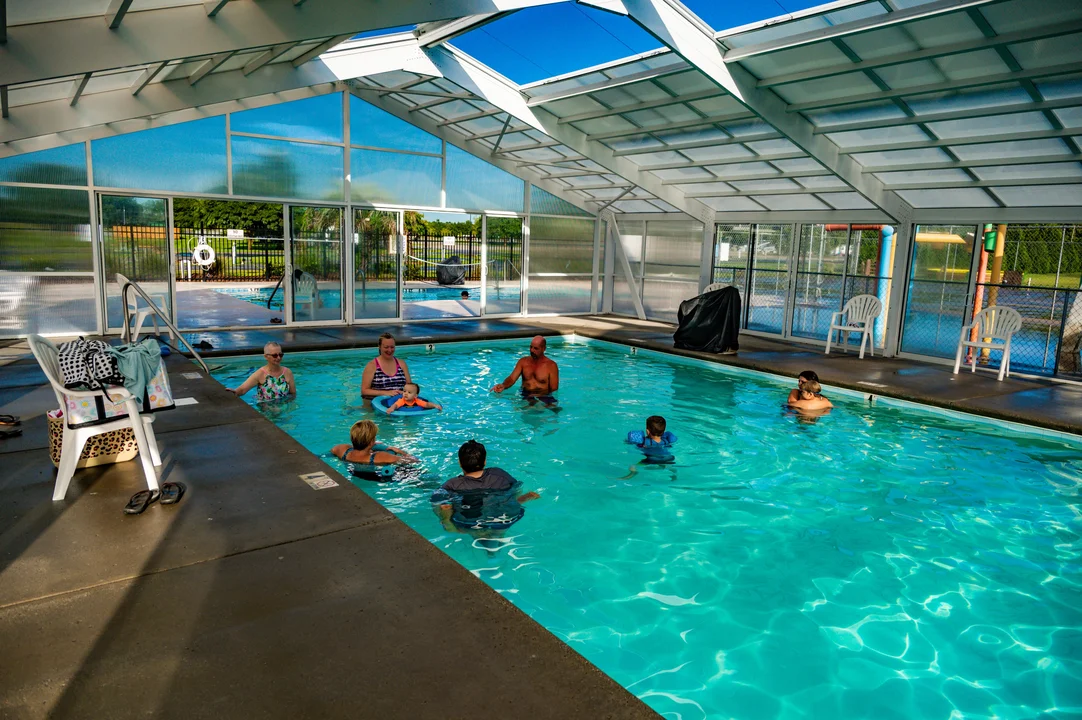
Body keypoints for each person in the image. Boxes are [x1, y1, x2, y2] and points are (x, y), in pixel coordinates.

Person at [431, 440, 540, 532]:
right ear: (484, 462)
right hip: (507, 517)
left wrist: (445, 517)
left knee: (444, 507)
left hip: (469, 523)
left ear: (460, 463)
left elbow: (436, 501)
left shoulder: (452, 485)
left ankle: (448, 524)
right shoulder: (500, 475)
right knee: (507, 500)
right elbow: (517, 488)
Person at [331, 419, 417, 479]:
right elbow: (414, 460)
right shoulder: (380, 456)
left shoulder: (342, 450)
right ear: (372, 441)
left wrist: (369, 446)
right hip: (378, 478)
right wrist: (401, 452)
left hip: (354, 475)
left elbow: (331, 452)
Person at [491, 335, 559, 405]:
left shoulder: (551, 366)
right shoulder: (523, 362)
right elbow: (512, 378)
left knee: (554, 411)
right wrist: (503, 385)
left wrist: (538, 395)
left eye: (536, 348)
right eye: (531, 347)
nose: (532, 350)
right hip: (525, 394)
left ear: (543, 349)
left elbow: (554, 388)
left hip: (544, 396)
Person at [228, 341, 296, 402]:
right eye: (274, 355)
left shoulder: (287, 372)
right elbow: (243, 389)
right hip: (265, 410)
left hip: (283, 408)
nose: (278, 358)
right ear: (266, 356)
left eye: (280, 355)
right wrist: (235, 392)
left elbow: (293, 394)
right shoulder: (260, 374)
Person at [361, 332, 412, 399]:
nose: (389, 350)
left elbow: (410, 387)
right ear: (379, 346)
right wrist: (386, 393)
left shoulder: (401, 364)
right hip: (378, 405)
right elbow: (364, 391)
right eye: (386, 347)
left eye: (392, 347)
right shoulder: (372, 365)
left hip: (399, 403)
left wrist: (405, 392)